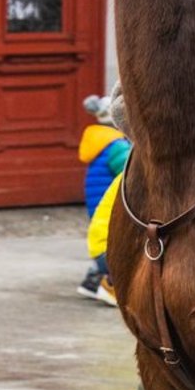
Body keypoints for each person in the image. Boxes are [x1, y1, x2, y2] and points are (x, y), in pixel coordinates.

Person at [77, 94, 130, 304]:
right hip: (109, 202)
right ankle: (110, 285)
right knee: (114, 241)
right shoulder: (117, 145)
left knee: (102, 239)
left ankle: (92, 281)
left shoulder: (100, 141)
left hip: (96, 202)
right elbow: (129, 171)